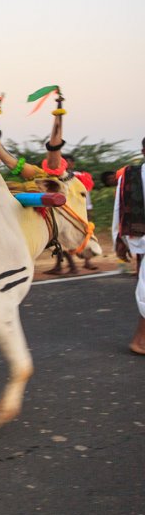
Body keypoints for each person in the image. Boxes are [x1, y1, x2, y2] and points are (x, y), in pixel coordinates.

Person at [113, 137, 145, 355]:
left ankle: (140, 340)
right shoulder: (130, 175)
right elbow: (119, 206)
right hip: (139, 236)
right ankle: (139, 340)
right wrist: (118, 239)